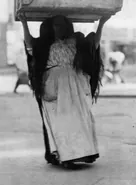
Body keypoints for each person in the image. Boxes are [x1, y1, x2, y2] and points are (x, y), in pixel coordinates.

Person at [17, 11, 111, 169]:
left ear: (68, 27)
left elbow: (94, 44)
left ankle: (81, 153)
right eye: (56, 25)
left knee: (78, 120)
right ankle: (65, 156)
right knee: (60, 122)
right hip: (54, 85)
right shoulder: (45, 44)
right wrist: (24, 23)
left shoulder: (77, 41)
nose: (59, 28)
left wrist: (101, 23)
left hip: (75, 85)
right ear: (51, 28)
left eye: (62, 25)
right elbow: (30, 45)